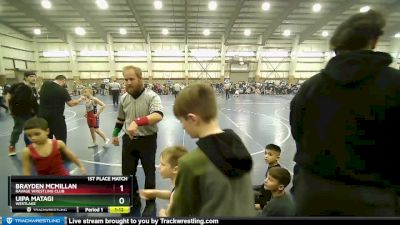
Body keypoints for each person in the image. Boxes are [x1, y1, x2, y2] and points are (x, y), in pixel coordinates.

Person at [290, 10, 400, 216]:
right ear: (375, 41)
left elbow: (298, 133)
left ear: (338, 45)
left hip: (312, 196)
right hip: (374, 200)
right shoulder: (395, 85)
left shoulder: (310, 87)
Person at [169, 83, 255, 216]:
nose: (183, 127)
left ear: (192, 118)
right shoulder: (237, 146)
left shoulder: (190, 163)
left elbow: (179, 214)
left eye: (182, 121)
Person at [111, 65, 163, 217]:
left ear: (141, 79)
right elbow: (121, 119)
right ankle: (133, 200)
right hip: (129, 140)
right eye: (125, 79)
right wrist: (115, 134)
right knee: (127, 173)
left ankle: (150, 202)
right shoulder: (123, 98)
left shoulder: (152, 96)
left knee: (149, 172)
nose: (127, 82)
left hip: (147, 139)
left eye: (131, 79)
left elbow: (158, 115)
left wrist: (138, 122)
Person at [21, 117, 86, 176]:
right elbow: (26, 171)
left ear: (47, 131)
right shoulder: (27, 151)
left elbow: (71, 155)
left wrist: (81, 166)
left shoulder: (59, 144)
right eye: (29, 135)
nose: (33, 138)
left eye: (37, 134)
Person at [139, 146, 188, 217]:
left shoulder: (176, 197)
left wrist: (162, 215)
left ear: (175, 169)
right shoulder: (182, 184)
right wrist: (155, 193)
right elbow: (171, 194)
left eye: (162, 164)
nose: (159, 167)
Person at [39, 75, 84, 144]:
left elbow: (53, 94)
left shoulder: (45, 85)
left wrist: (67, 94)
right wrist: (80, 99)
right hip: (56, 119)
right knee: (61, 141)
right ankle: (61, 154)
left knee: (46, 141)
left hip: (43, 119)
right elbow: (71, 103)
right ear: (63, 80)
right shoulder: (62, 90)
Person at [5, 71, 39, 156]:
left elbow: (35, 101)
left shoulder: (33, 88)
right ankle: (12, 145)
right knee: (18, 130)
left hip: (31, 113)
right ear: (26, 77)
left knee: (30, 130)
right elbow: (8, 97)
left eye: (35, 76)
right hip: (19, 113)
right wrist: (10, 109)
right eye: (31, 76)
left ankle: (30, 147)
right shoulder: (17, 86)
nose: (34, 78)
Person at [254, 144, 281, 211]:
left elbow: (270, 193)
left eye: (270, 154)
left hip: (264, 200)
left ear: (277, 158)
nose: (266, 156)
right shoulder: (272, 167)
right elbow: (265, 186)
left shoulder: (274, 172)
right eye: (265, 153)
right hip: (263, 193)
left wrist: (261, 206)